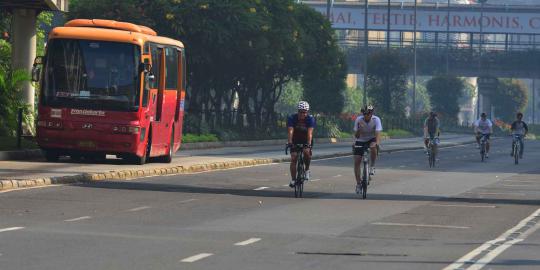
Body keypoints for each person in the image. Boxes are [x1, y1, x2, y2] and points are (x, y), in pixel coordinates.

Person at [353, 105, 382, 194]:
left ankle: (372, 166)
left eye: (368, 114)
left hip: (372, 138)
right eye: (364, 114)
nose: (366, 115)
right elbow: (356, 136)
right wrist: (359, 129)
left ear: (371, 113)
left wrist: (376, 143)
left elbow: (378, 133)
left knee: (373, 147)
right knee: (357, 161)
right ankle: (358, 184)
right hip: (361, 140)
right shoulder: (359, 120)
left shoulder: (376, 119)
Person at [287, 101, 315, 188]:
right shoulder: (292, 118)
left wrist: (308, 144)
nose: (302, 114)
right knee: (294, 157)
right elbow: (290, 131)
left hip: (306, 138)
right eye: (300, 112)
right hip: (295, 139)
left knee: (306, 152)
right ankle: (293, 180)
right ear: (298, 111)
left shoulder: (310, 119)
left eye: (304, 112)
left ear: (307, 112)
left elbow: (310, 133)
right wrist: (290, 142)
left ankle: (307, 169)